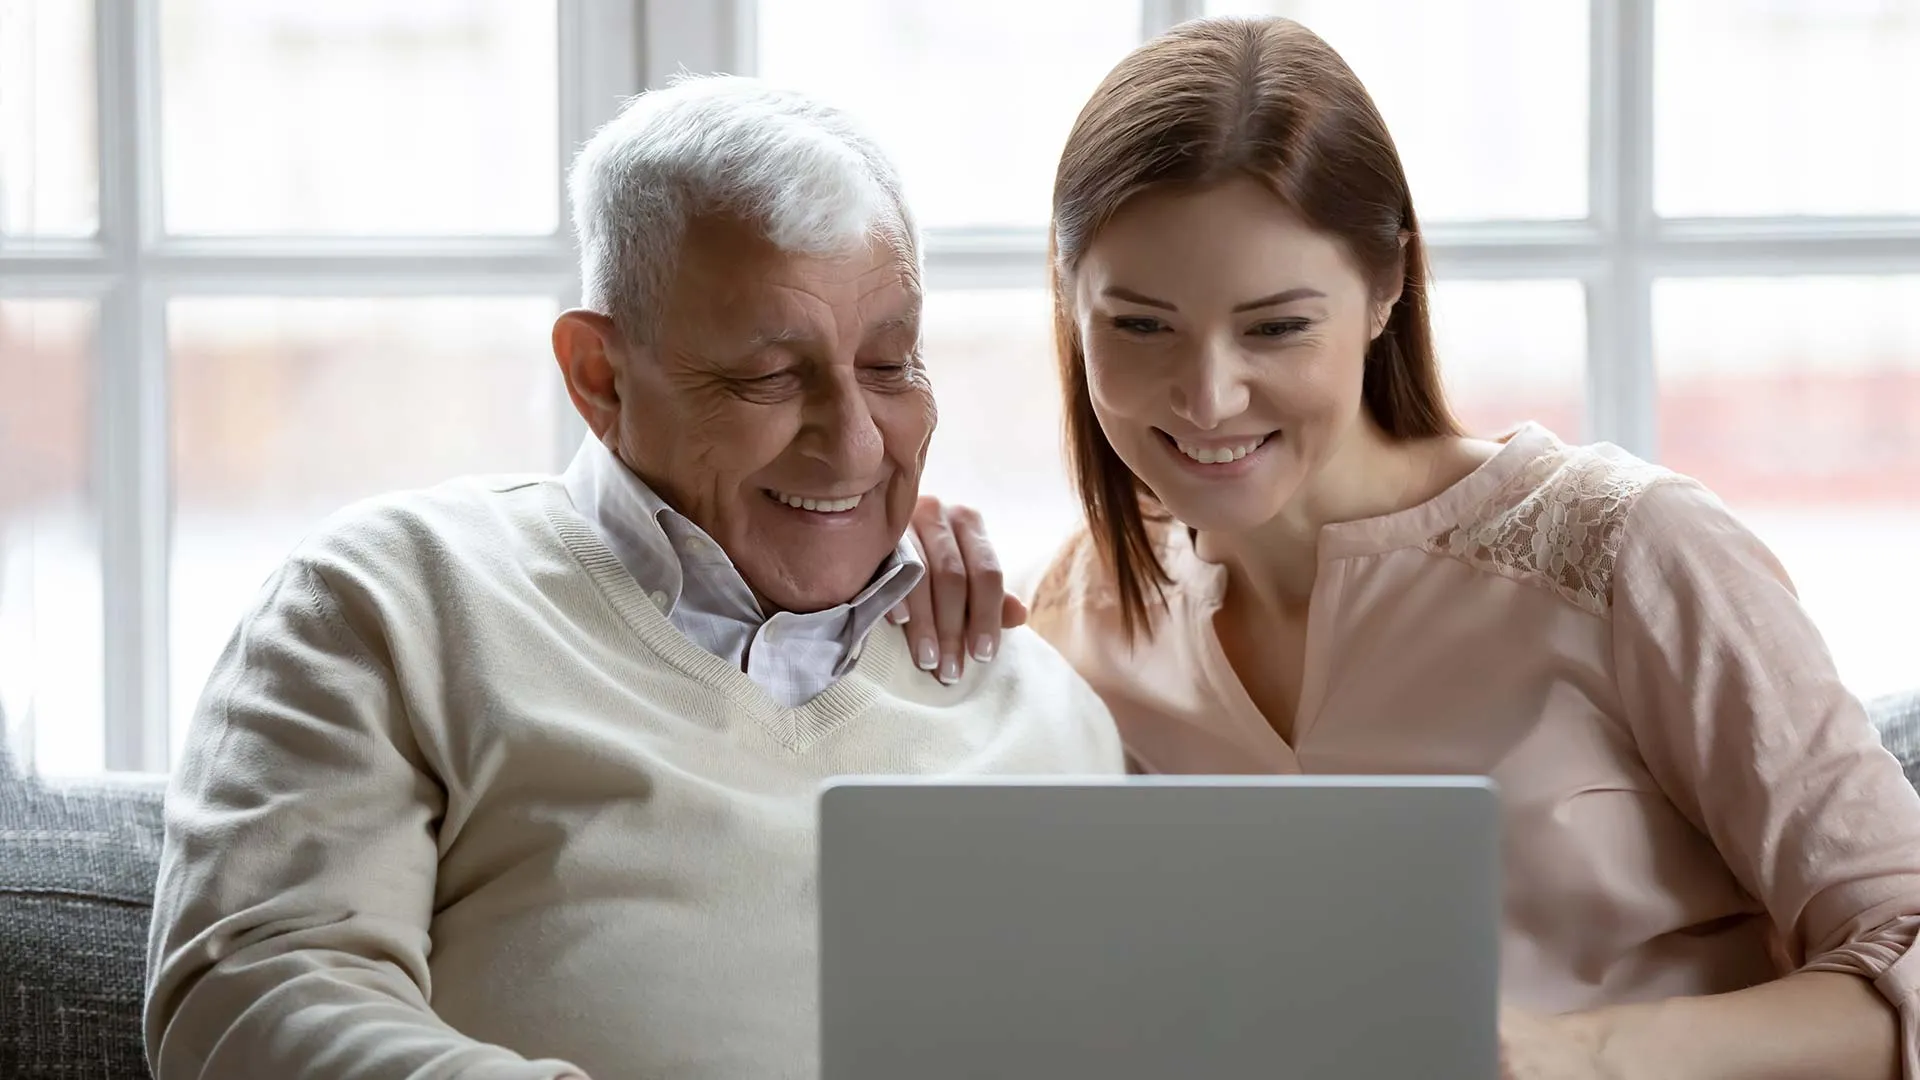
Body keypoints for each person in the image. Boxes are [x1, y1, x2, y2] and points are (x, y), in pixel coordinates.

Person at [908, 16, 1920, 1080]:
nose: (1208, 396)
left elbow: (1902, 940)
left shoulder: (1631, 552)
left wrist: (1574, 1057)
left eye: (1276, 327)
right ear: (1070, 305)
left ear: (1387, 287)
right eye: (1142, 327)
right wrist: (884, 587)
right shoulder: (1074, 614)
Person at [143, 75, 1124, 1080]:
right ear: (599, 378)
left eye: (889, 364)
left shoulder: (1036, 703)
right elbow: (249, 1000)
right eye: (771, 377)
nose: (857, 447)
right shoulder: (394, 602)